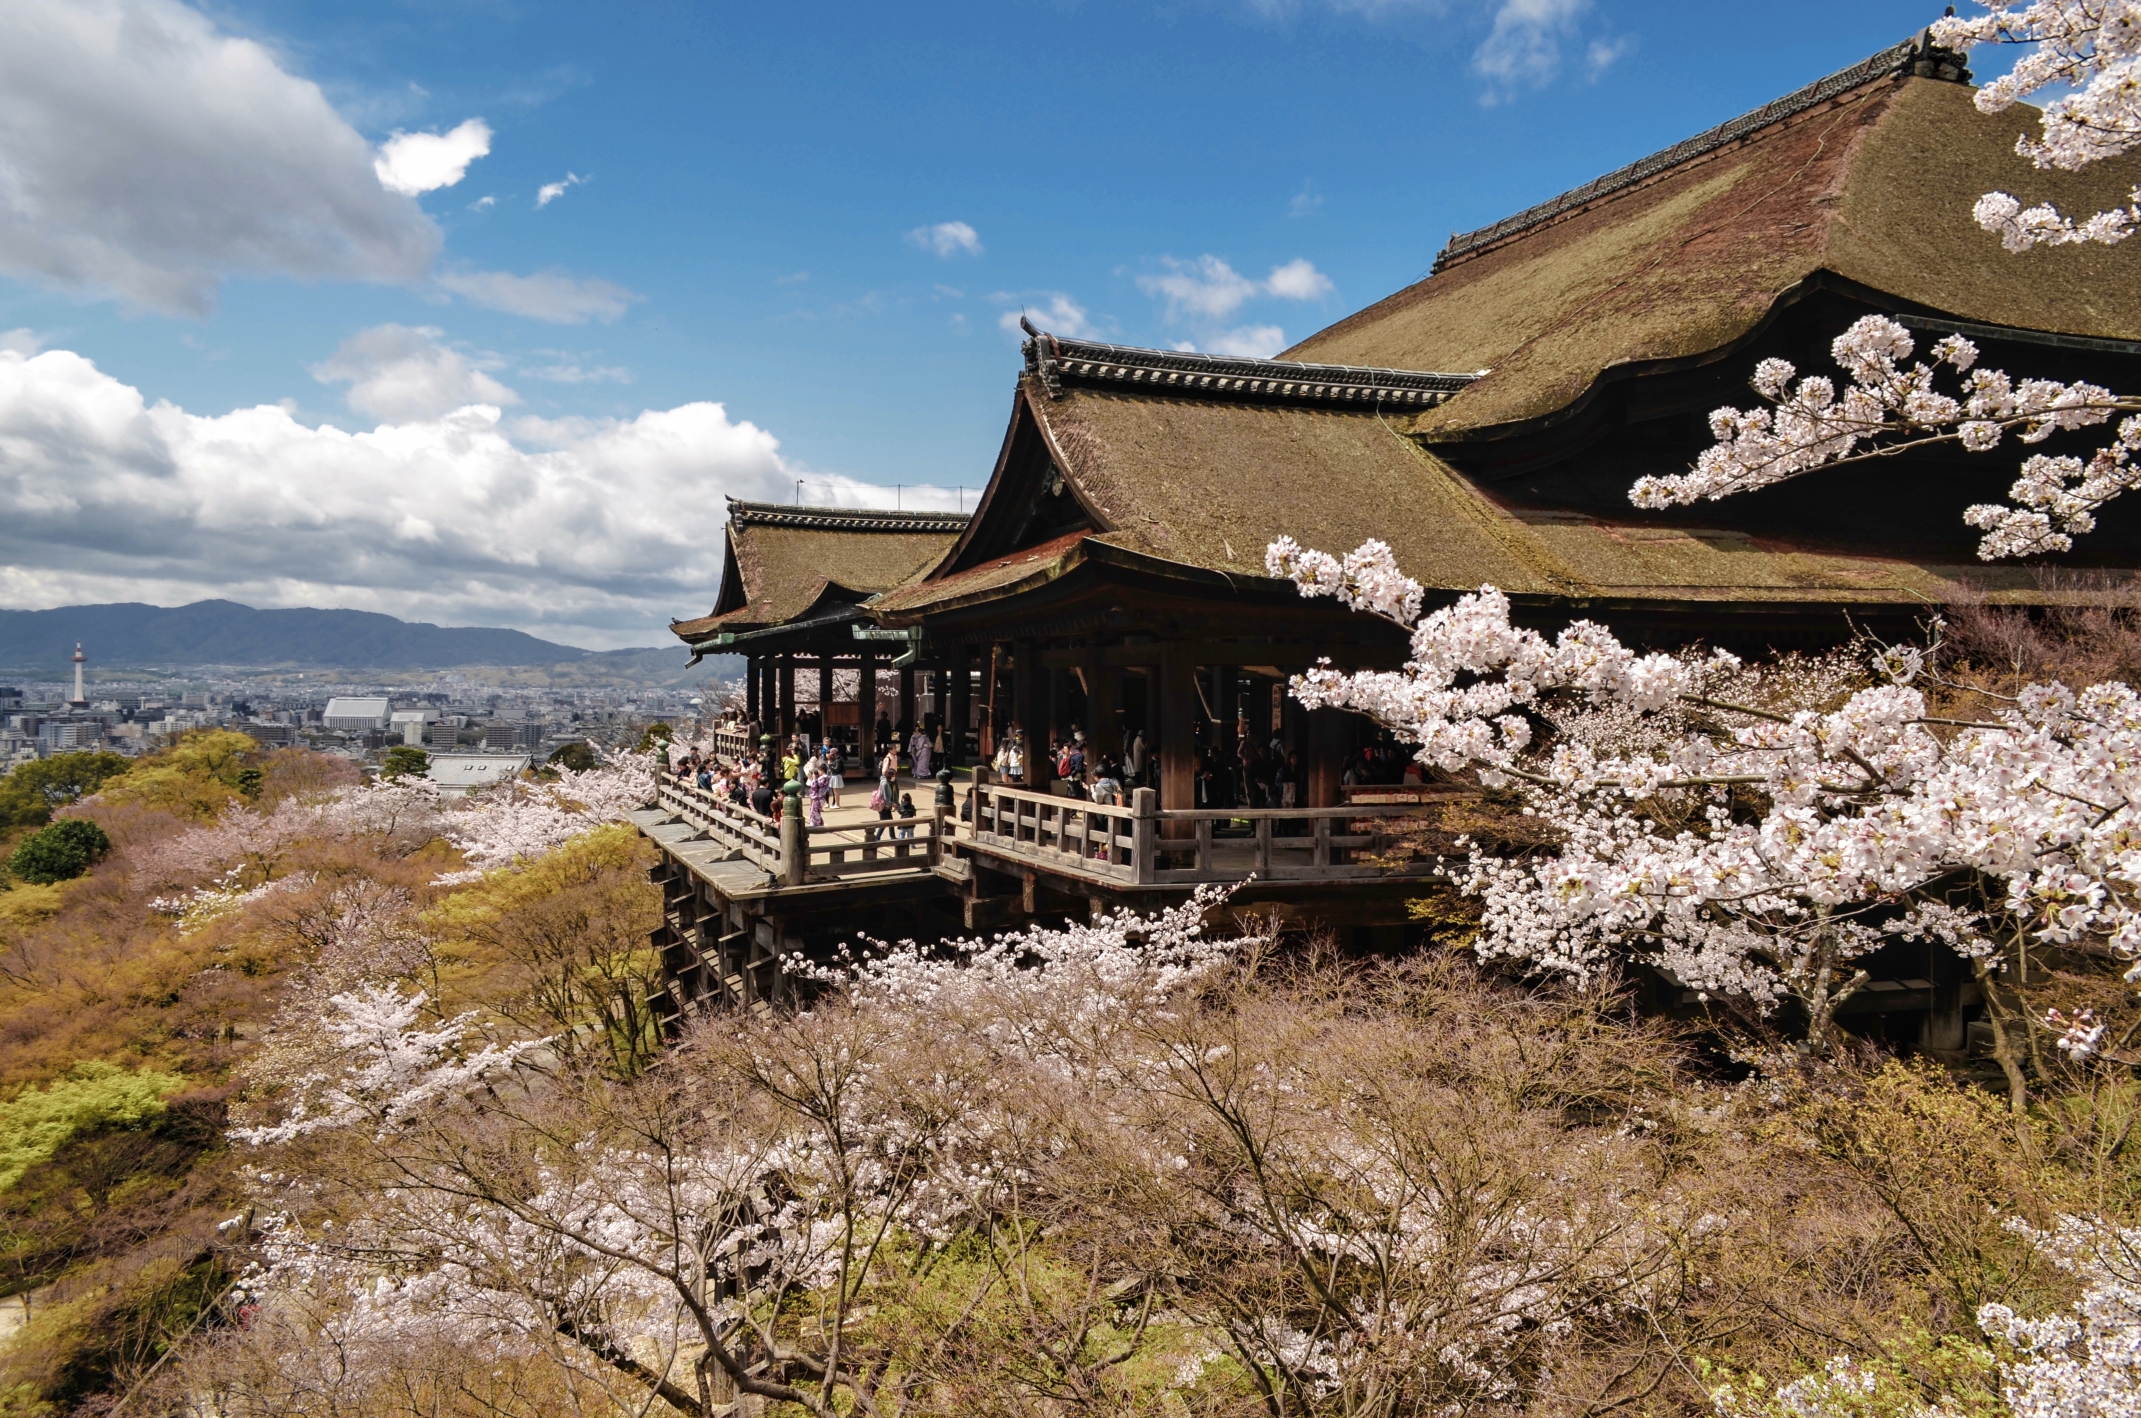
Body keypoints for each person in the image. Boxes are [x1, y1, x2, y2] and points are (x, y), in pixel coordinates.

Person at [805, 758, 831, 827]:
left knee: (815, 811)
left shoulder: (823, 778)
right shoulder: (826, 777)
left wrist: (814, 779)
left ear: (822, 770)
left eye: (819, 770)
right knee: (815, 811)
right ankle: (816, 824)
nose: (818, 772)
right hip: (821, 797)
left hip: (819, 797)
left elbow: (815, 787)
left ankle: (818, 824)